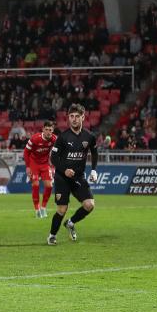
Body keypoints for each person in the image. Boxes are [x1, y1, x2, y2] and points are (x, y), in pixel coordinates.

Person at [47, 104, 99, 245]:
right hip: (62, 178)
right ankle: (52, 235)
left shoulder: (89, 136)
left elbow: (94, 153)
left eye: (77, 116)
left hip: (78, 177)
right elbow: (54, 158)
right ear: (68, 118)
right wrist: (64, 170)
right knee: (62, 209)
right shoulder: (63, 137)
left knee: (89, 205)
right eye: (71, 116)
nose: (74, 119)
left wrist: (93, 170)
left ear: (83, 117)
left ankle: (70, 223)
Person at [24, 120, 56, 218]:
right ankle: (37, 209)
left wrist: (53, 166)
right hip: (34, 163)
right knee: (36, 185)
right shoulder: (35, 138)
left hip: (45, 164)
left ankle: (43, 208)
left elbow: (57, 154)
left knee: (49, 186)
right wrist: (28, 167)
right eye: (46, 129)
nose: (48, 132)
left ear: (52, 130)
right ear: (43, 129)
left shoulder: (54, 139)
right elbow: (26, 152)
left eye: (50, 130)